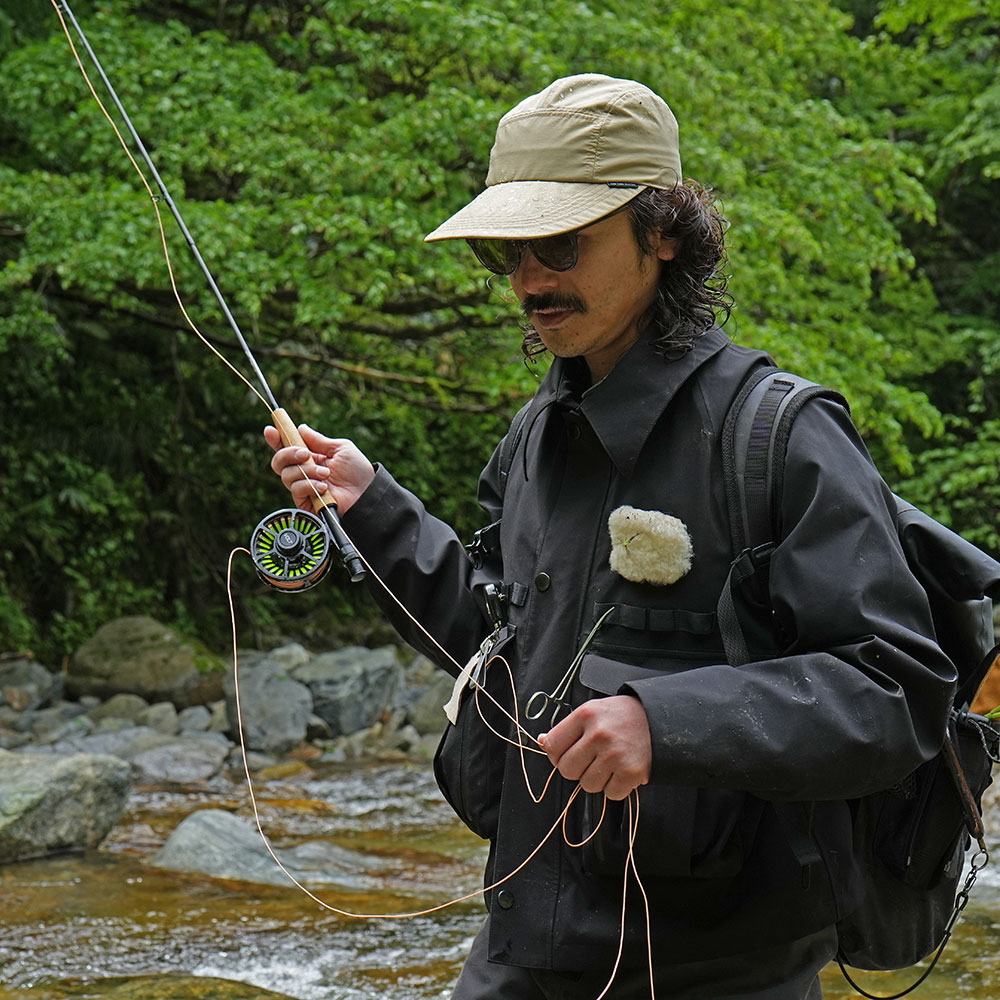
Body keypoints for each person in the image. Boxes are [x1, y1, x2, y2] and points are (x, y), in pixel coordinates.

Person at [266, 75, 956, 1000]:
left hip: (723, 969)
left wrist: (663, 724)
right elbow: (496, 648)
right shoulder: (538, 434)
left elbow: (896, 691)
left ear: (664, 231)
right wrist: (374, 513)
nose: (527, 280)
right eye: (504, 253)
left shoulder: (780, 436)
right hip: (522, 943)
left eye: (557, 244)